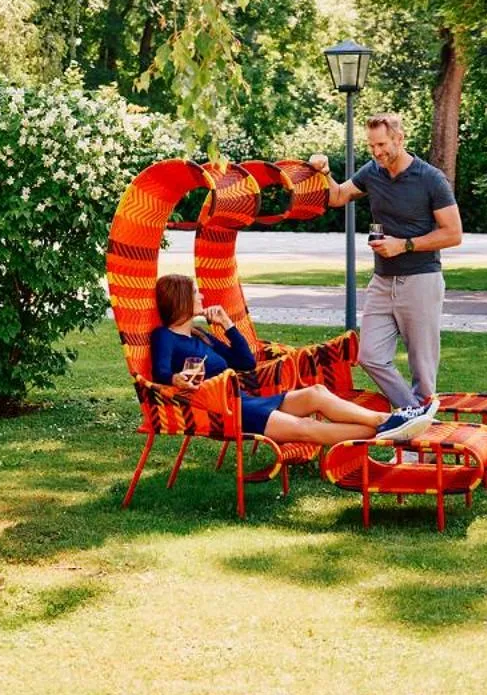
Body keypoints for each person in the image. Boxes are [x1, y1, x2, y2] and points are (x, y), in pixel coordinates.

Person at [148, 273, 432, 446]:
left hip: (244, 400)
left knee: (317, 393)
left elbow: (245, 362)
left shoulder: (202, 337)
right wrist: (175, 378)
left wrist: (227, 325)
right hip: (226, 410)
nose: (202, 295)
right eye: (196, 292)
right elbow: (160, 371)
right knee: (309, 429)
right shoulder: (165, 336)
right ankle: (392, 427)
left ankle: (389, 423)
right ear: (182, 299)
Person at [314, 110, 462, 424]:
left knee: (423, 367)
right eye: (372, 147)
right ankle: (416, 416)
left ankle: (417, 429)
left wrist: (403, 244)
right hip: (382, 280)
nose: (378, 152)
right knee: (369, 356)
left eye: (382, 144)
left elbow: (453, 233)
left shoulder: (430, 178)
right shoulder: (373, 172)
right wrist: (325, 173)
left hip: (421, 279)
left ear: (399, 138)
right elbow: (338, 196)